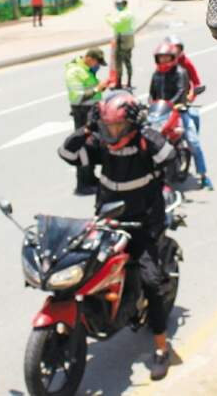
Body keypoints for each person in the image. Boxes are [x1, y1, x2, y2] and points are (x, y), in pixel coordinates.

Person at [57, 91, 177, 380]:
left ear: (132, 124)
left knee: (151, 280)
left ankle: (161, 347)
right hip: (108, 219)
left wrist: (147, 129)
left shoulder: (145, 141)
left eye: (118, 127)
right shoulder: (102, 145)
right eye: (108, 127)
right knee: (81, 267)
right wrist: (86, 128)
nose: (113, 133)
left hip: (143, 223)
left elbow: (170, 156)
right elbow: (68, 154)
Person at [150, 42, 212, 190]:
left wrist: (173, 104)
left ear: (172, 57)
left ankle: (203, 176)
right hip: (161, 113)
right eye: (161, 58)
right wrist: (152, 105)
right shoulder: (156, 74)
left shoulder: (180, 72)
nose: (164, 60)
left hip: (179, 110)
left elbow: (180, 91)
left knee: (193, 141)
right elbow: (152, 93)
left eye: (166, 57)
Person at [65, 48, 108, 195]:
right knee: (83, 147)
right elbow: (77, 98)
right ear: (89, 58)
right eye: (97, 63)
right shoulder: (74, 72)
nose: (97, 66)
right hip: (82, 113)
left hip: (91, 112)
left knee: (93, 146)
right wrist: (98, 89)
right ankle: (83, 184)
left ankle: (90, 178)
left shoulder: (86, 70)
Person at [165, 34, 202, 131]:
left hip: (182, 102)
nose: (175, 52)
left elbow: (196, 82)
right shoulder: (161, 66)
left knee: (194, 120)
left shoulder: (186, 63)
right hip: (165, 104)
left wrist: (191, 96)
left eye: (177, 49)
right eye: (172, 49)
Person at [106, 0, 135, 88]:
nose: (118, 6)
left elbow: (115, 24)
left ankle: (119, 82)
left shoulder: (123, 14)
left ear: (124, 4)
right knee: (128, 61)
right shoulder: (129, 13)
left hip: (122, 39)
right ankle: (129, 81)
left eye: (119, 4)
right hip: (129, 39)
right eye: (117, 4)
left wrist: (108, 18)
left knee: (119, 61)